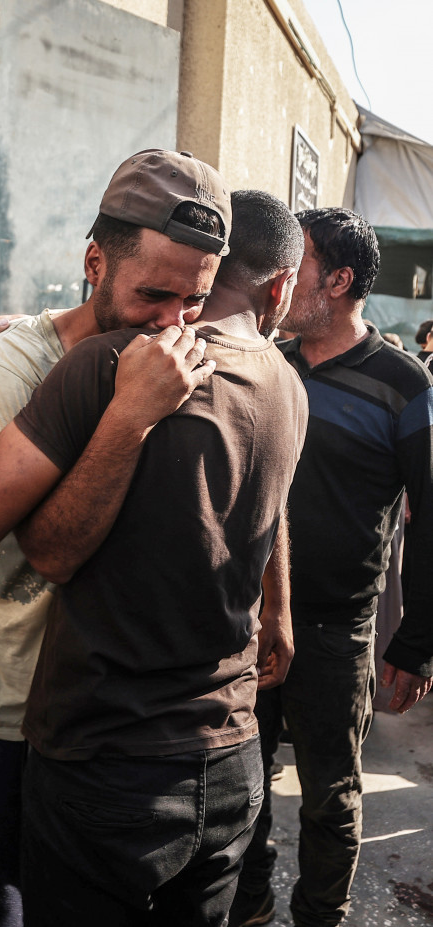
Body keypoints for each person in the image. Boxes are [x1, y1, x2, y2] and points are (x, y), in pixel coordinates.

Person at [0, 153, 309, 926]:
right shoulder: (26, 364)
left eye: (195, 300)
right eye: (154, 295)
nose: (173, 323)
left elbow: (261, 481)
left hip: (109, 731)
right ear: (95, 262)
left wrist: (277, 604)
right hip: (8, 700)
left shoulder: (192, 360)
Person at [231, 207, 433, 927]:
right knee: (241, 789)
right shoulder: (265, 361)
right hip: (247, 625)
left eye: (300, 261)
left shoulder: (406, 386)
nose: (280, 278)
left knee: (330, 798)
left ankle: (320, 915)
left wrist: (414, 642)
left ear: (339, 280)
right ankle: (248, 912)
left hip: (337, 633)